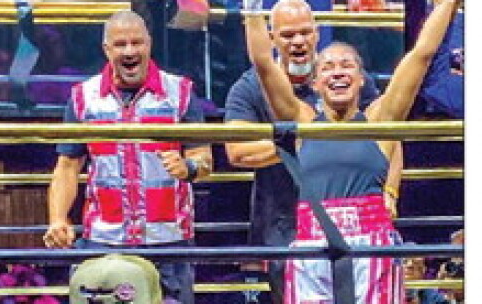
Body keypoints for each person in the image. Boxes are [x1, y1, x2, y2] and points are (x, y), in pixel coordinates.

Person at [243, 0, 459, 302]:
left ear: (361, 79)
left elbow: (421, 54)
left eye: (347, 65)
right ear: (316, 83)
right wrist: (252, 9)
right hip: (311, 247)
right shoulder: (302, 121)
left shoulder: (379, 121)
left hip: (372, 247)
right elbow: (264, 65)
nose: (338, 72)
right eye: (328, 67)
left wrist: (448, 4)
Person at [224, 1, 402, 302]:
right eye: (288, 34)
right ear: (272, 38)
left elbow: (387, 137)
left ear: (317, 35)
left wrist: (391, 192)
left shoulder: (345, 77)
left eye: (305, 32)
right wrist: (307, 142)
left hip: (353, 216)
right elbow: (237, 151)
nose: (298, 41)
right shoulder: (251, 87)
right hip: (283, 220)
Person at [42, 10, 212, 304]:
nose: (130, 51)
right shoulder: (84, 97)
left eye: (137, 42)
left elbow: (204, 157)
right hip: (103, 239)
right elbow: (67, 166)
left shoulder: (180, 92)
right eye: (120, 44)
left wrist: (189, 167)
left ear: (150, 44)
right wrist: (57, 219)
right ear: (106, 49)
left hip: (167, 239)